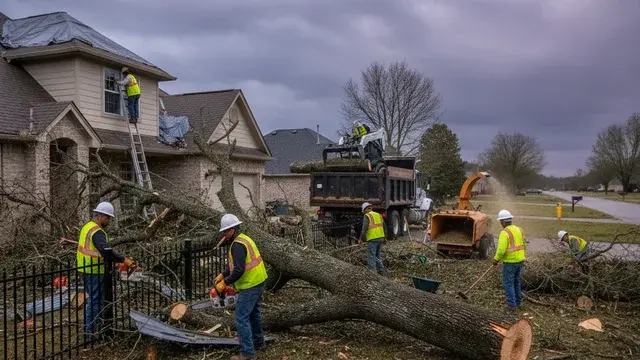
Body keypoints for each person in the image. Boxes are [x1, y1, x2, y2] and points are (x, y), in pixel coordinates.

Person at [214, 214, 268, 360]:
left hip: (250, 284)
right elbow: (235, 265)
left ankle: (247, 354)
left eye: (226, 231)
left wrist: (224, 283)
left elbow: (239, 270)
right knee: (254, 314)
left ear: (233, 229)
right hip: (258, 280)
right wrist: (223, 274)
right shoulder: (244, 239)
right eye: (223, 231)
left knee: (241, 318)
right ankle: (258, 343)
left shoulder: (237, 245)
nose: (224, 234)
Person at [76, 202, 136, 334]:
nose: (108, 221)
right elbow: (106, 251)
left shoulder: (87, 227)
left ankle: (91, 328)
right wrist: (122, 259)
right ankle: (92, 330)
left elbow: (97, 251)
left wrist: (112, 260)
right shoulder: (97, 232)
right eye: (107, 218)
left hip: (84, 268)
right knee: (95, 301)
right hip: (93, 271)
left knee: (92, 299)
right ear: (100, 216)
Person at [493, 209, 526, 310]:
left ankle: (512, 305)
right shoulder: (519, 229)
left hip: (510, 262)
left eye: (500, 221)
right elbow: (524, 244)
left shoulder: (505, 232)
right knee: (516, 281)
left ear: (503, 221)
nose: (500, 223)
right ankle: (518, 302)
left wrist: (496, 259)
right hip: (520, 260)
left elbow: (501, 249)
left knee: (508, 283)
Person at [359, 202, 387, 275]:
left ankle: (373, 274)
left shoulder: (367, 216)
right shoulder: (378, 215)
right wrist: (385, 238)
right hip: (380, 238)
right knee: (377, 256)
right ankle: (381, 271)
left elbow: (364, 229)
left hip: (372, 239)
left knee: (371, 257)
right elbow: (384, 227)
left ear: (364, 210)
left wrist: (361, 239)